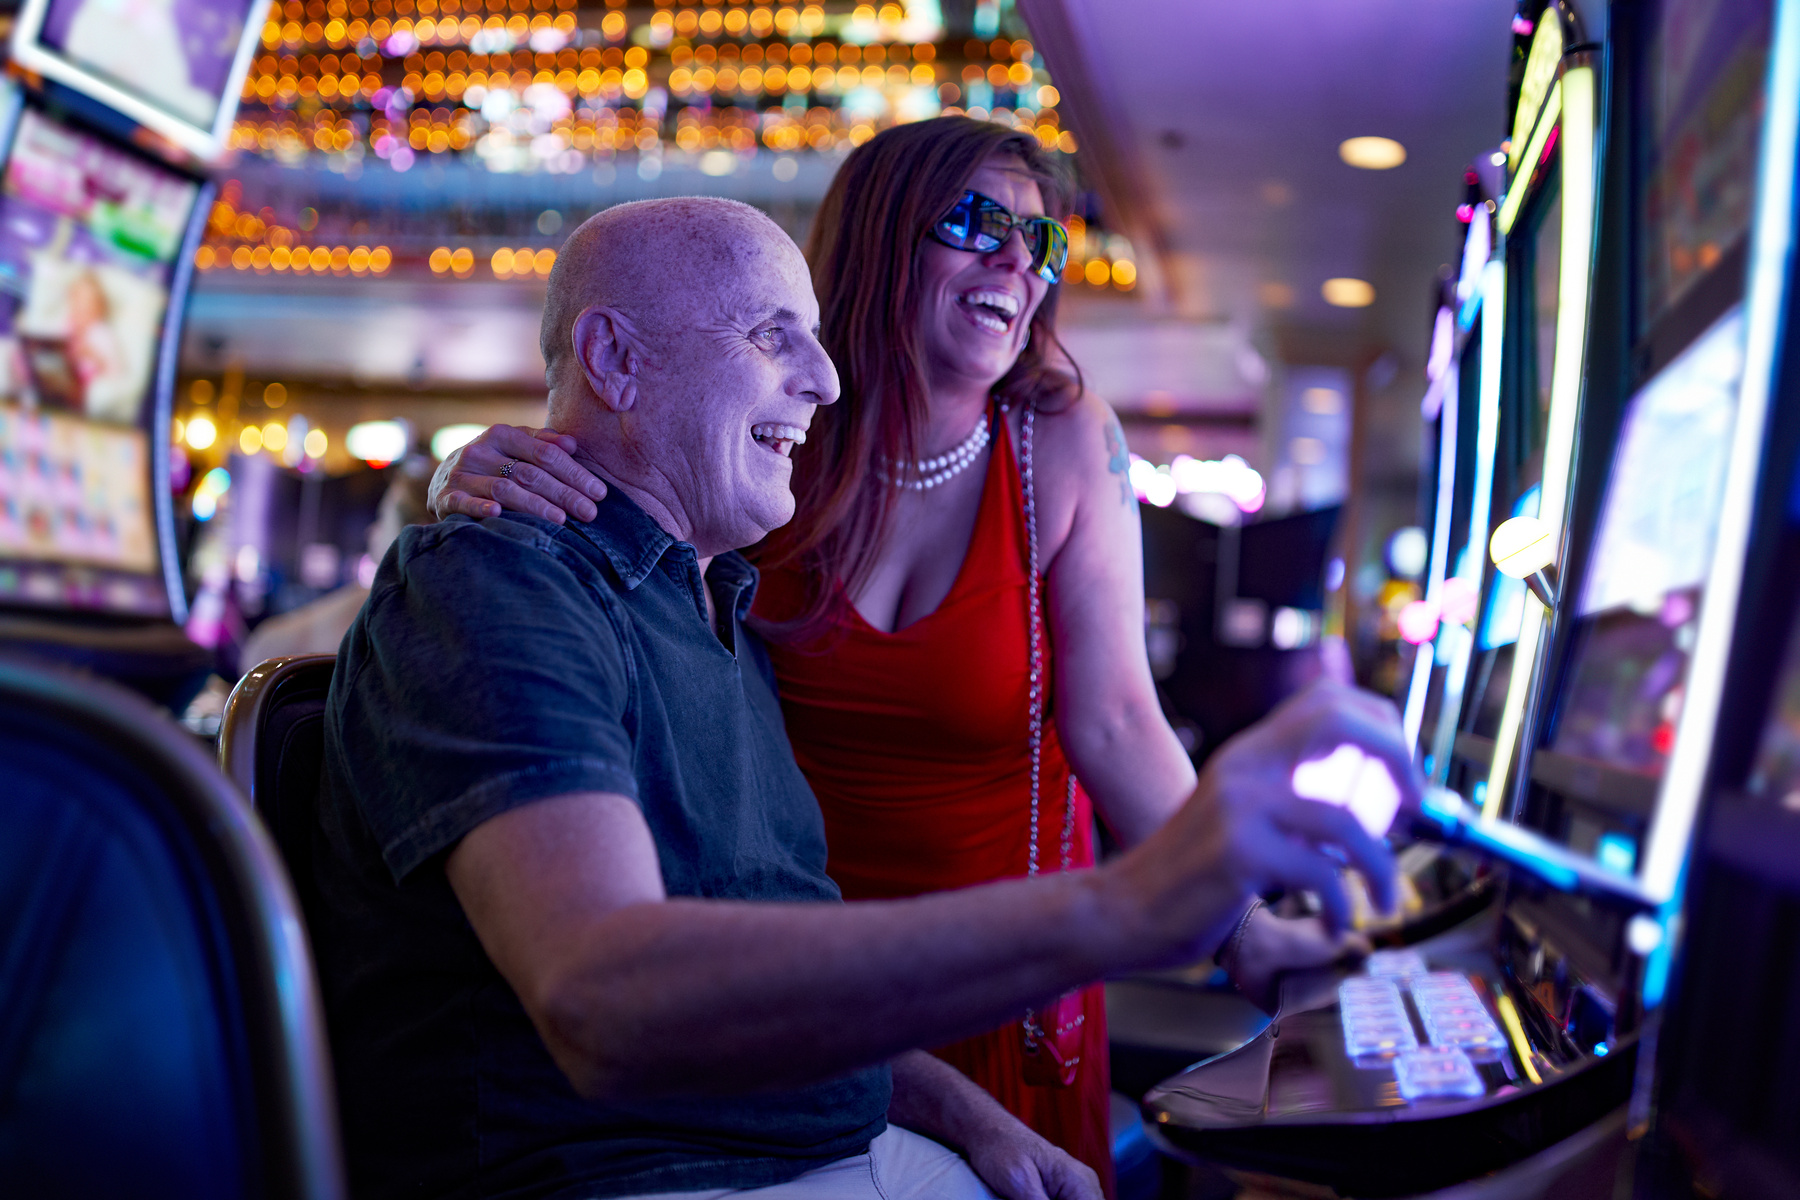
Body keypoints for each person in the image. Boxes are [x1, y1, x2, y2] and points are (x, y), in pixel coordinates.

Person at [317, 195, 1412, 1200]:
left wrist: (965, 1113)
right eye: (773, 338)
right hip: (645, 1165)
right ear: (614, 356)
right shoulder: (505, 578)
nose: (824, 382)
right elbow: (606, 999)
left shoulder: (723, 602)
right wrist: (1131, 905)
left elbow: (762, 936)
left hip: (845, 1109)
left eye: (815, 338)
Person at [239, 457, 434, 667]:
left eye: (382, 517)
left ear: (415, 533)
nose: (372, 531)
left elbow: (258, 654)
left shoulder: (376, 605)